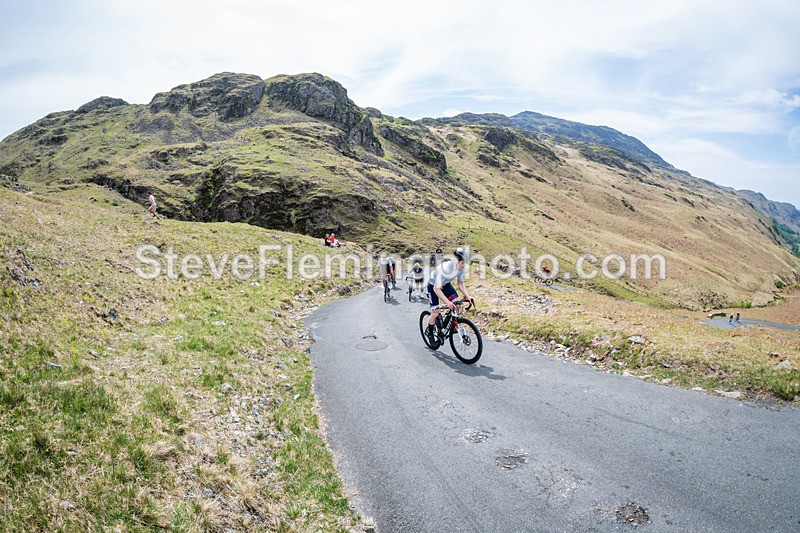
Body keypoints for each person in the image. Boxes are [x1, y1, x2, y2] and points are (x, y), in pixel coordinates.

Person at [425, 247, 475, 346]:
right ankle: (430, 333)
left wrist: (468, 296)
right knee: (435, 313)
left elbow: (460, 284)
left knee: (457, 304)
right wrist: (448, 303)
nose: (464, 266)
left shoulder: (460, 268)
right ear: (457, 260)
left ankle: (450, 324)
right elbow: (436, 289)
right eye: (463, 263)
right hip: (433, 286)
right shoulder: (445, 269)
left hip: (446, 284)